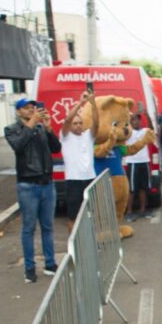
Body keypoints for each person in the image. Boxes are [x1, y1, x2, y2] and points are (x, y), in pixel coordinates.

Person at [5, 98, 60, 283]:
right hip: (28, 185)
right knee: (29, 228)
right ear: (18, 111)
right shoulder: (12, 129)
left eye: (33, 108)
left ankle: (50, 264)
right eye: (27, 108)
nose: (31, 111)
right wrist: (32, 122)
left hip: (47, 183)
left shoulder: (40, 128)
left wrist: (49, 128)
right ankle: (29, 268)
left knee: (48, 226)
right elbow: (18, 145)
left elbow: (56, 148)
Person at [59, 91, 99, 231]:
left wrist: (92, 103)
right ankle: (74, 243)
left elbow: (96, 123)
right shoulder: (65, 136)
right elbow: (67, 120)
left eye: (80, 123)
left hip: (90, 179)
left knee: (90, 214)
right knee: (73, 217)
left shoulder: (88, 136)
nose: (78, 125)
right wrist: (81, 103)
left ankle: (91, 241)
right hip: (73, 180)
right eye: (75, 123)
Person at [124, 115, 152, 222]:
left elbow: (152, 130)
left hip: (144, 162)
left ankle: (142, 211)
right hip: (133, 163)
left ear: (140, 121)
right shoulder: (129, 132)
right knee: (132, 189)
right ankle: (129, 212)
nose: (135, 122)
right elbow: (123, 131)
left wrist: (147, 115)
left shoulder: (144, 131)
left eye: (136, 120)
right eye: (132, 120)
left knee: (143, 188)